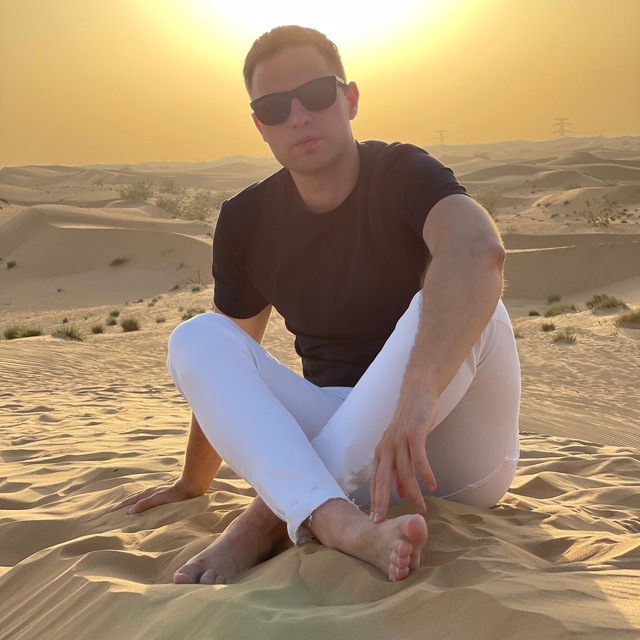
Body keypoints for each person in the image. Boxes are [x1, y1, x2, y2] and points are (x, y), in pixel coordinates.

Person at [110, 25, 521, 584]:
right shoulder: (247, 220)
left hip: (448, 456)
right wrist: (193, 482)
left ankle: (261, 525)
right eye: (275, 108)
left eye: (317, 95)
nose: (299, 117)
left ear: (349, 99)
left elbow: (478, 249)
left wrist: (418, 394)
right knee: (196, 336)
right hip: (345, 458)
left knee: (465, 299)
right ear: (260, 126)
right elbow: (229, 364)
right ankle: (336, 522)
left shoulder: (400, 172)